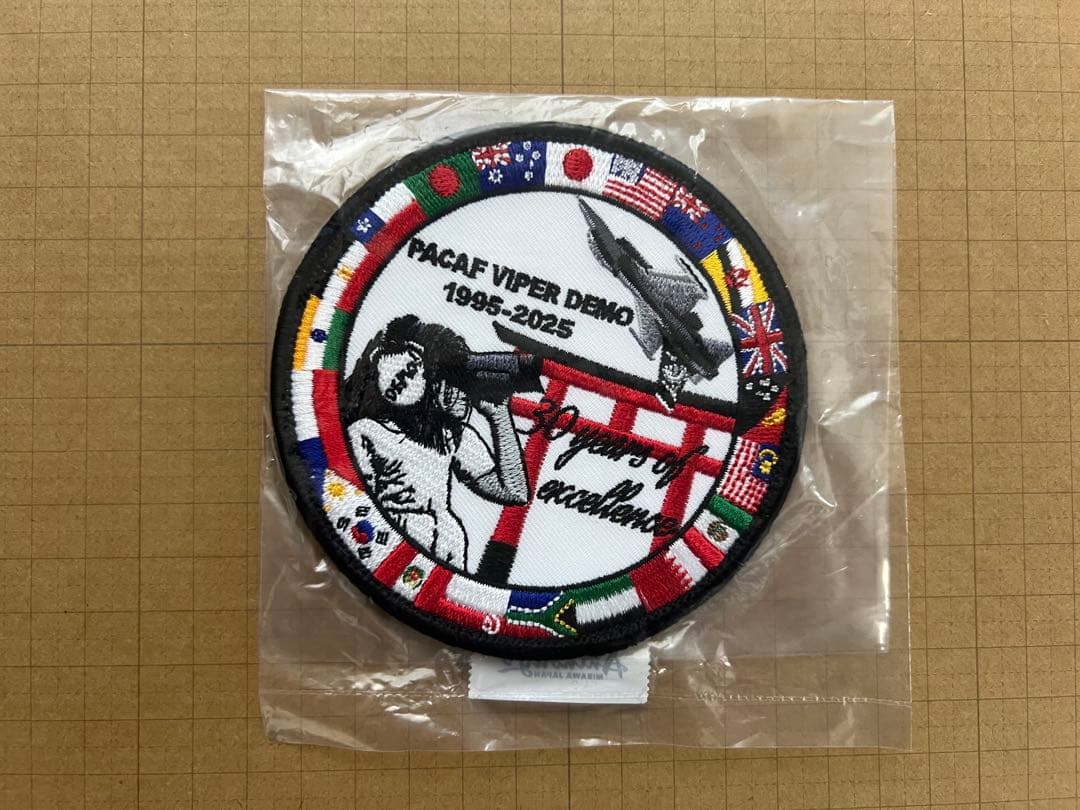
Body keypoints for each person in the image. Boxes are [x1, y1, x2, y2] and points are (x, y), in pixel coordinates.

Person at [343, 315, 528, 570]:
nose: (465, 395)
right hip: (391, 546)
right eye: (453, 385)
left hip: (447, 546)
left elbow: (514, 492)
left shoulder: (451, 437)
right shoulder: (369, 433)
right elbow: (350, 505)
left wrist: (499, 417)